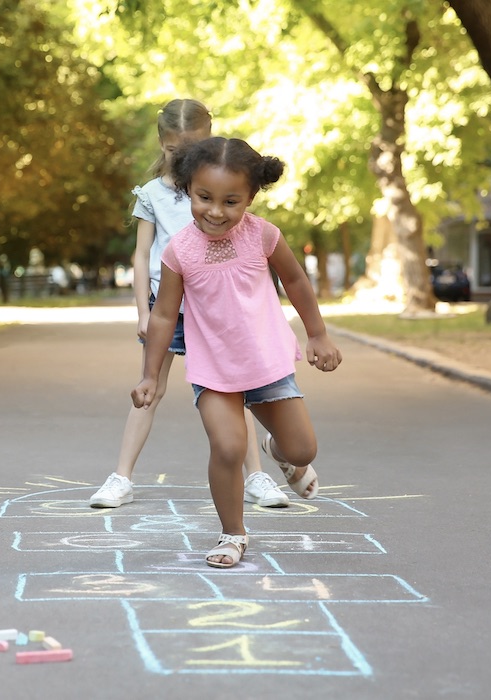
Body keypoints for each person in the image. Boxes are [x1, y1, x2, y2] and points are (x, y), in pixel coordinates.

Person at [132, 136, 343, 568]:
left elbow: (297, 282)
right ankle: (233, 534)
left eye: (231, 201)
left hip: (266, 363)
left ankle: (279, 452)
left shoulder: (263, 235)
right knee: (228, 448)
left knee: (302, 450)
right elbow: (162, 315)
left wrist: (317, 334)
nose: (215, 211)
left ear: (250, 197)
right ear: (188, 189)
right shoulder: (179, 251)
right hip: (214, 370)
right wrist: (151, 374)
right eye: (204, 197)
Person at [90, 99, 290, 510]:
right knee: (150, 387)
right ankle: (121, 477)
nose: (181, 159)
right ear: (161, 144)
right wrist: (144, 313)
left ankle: (257, 476)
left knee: (237, 390)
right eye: (173, 151)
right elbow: (141, 255)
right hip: (170, 306)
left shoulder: (219, 188)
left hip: (218, 308)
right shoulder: (151, 195)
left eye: (191, 149)